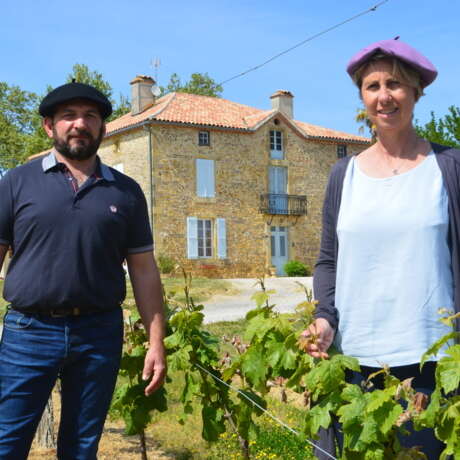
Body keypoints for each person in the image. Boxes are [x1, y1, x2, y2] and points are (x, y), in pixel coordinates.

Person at [304, 38, 460, 459]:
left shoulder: (449, 168)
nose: (384, 95)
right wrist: (324, 317)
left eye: (395, 84)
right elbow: (328, 261)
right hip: (354, 362)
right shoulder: (344, 175)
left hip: (430, 364)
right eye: (372, 86)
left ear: (415, 92)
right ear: (362, 97)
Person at [0, 81, 166, 459]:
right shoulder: (17, 182)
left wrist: (156, 342)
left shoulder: (126, 192)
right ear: (49, 126)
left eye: (90, 116)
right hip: (29, 332)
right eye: (69, 116)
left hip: (98, 334)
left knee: (80, 448)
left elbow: (143, 271)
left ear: (103, 128)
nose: (80, 123)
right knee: (6, 441)